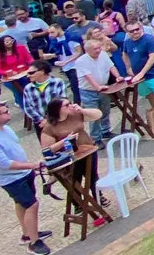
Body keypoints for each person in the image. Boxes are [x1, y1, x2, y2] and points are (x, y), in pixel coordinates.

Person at [0, 102, 52, 255]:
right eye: (5, 112)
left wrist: (28, 167)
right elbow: (5, 164)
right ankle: (34, 243)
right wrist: (32, 165)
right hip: (10, 179)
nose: (9, 113)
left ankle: (28, 233)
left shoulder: (7, 129)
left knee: (21, 204)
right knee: (32, 205)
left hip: (24, 173)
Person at [39, 96, 105, 224]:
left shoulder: (75, 114)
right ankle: (78, 204)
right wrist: (65, 141)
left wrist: (83, 110)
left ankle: (98, 197)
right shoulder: (49, 127)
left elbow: (98, 115)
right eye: (66, 105)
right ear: (58, 109)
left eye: (70, 103)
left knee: (93, 176)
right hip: (70, 157)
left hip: (88, 149)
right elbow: (47, 149)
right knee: (75, 180)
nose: (70, 106)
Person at [72, 35, 121, 144]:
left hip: (104, 87)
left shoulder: (103, 54)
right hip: (88, 91)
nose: (98, 50)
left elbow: (111, 66)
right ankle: (96, 138)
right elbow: (88, 76)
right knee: (93, 115)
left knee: (105, 111)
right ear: (87, 50)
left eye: (99, 47)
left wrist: (118, 76)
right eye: (95, 49)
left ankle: (105, 131)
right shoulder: (81, 61)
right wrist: (97, 87)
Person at [19, 59, 67, 133]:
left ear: (42, 71)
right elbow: (28, 108)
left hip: (59, 120)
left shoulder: (58, 82)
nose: (28, 76)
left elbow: (62, 102)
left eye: (31, 73)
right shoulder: (28, 88)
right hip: (41, 124)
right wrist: (41, 120)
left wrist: (49, 120)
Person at [0, 33, 34, 111]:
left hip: (25, 73)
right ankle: (25, 110)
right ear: (2, 44)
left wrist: (32, 66)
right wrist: (8, 72)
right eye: (7, 42)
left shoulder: (21, 48)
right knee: (19, 93)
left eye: (11, 40)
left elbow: (29, 58)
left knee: (31, 89)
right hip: (10, 78)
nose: (10, 42)